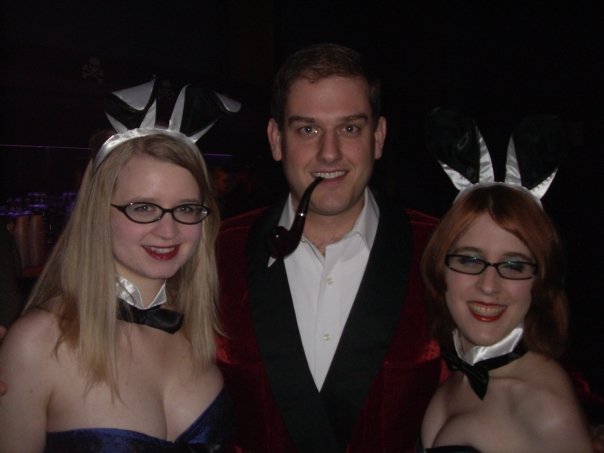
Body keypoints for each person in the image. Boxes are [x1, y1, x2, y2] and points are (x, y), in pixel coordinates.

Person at [216, 42, 443, 452]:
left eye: (350, 128)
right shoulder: (218, 251)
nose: (330, 152)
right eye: (308, 129)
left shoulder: (442, 250)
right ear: (276, 140)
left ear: (378, 137)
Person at [0, 81, 237, 451]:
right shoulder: (36, 343)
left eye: (187, 208)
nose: (169, 230)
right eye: (143, 207)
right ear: (99, 215)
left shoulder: (205, 329)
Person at [419, 183, 593, 452]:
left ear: (539, 282)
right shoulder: (457, 378)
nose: (489, 286)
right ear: (440, 269)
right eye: (470, 260)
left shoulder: (543, 407)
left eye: (514, 265)